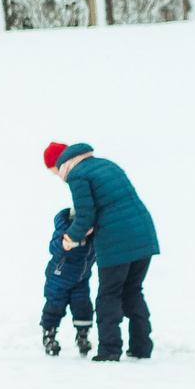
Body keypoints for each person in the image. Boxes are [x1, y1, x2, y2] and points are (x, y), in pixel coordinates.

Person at [46, 141, 159, 360]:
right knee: (133, 291)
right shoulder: (106, 164)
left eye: (54, 172)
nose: (58, 177)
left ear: (60, 164)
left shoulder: (77, 175)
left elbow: (86, 214)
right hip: (144, 234)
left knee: (109, 294)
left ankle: (109, 350)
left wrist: (70, 238)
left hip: (117, 241)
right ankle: (141, 347)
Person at [40, 203, 95, 357]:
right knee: (54, 305)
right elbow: (53, 247)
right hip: (58, 277)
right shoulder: (64, 232)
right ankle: (49, 335)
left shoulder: (93, 238)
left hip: (81, 279)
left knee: (83, 306)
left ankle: (82, 335)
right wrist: (66, 243)